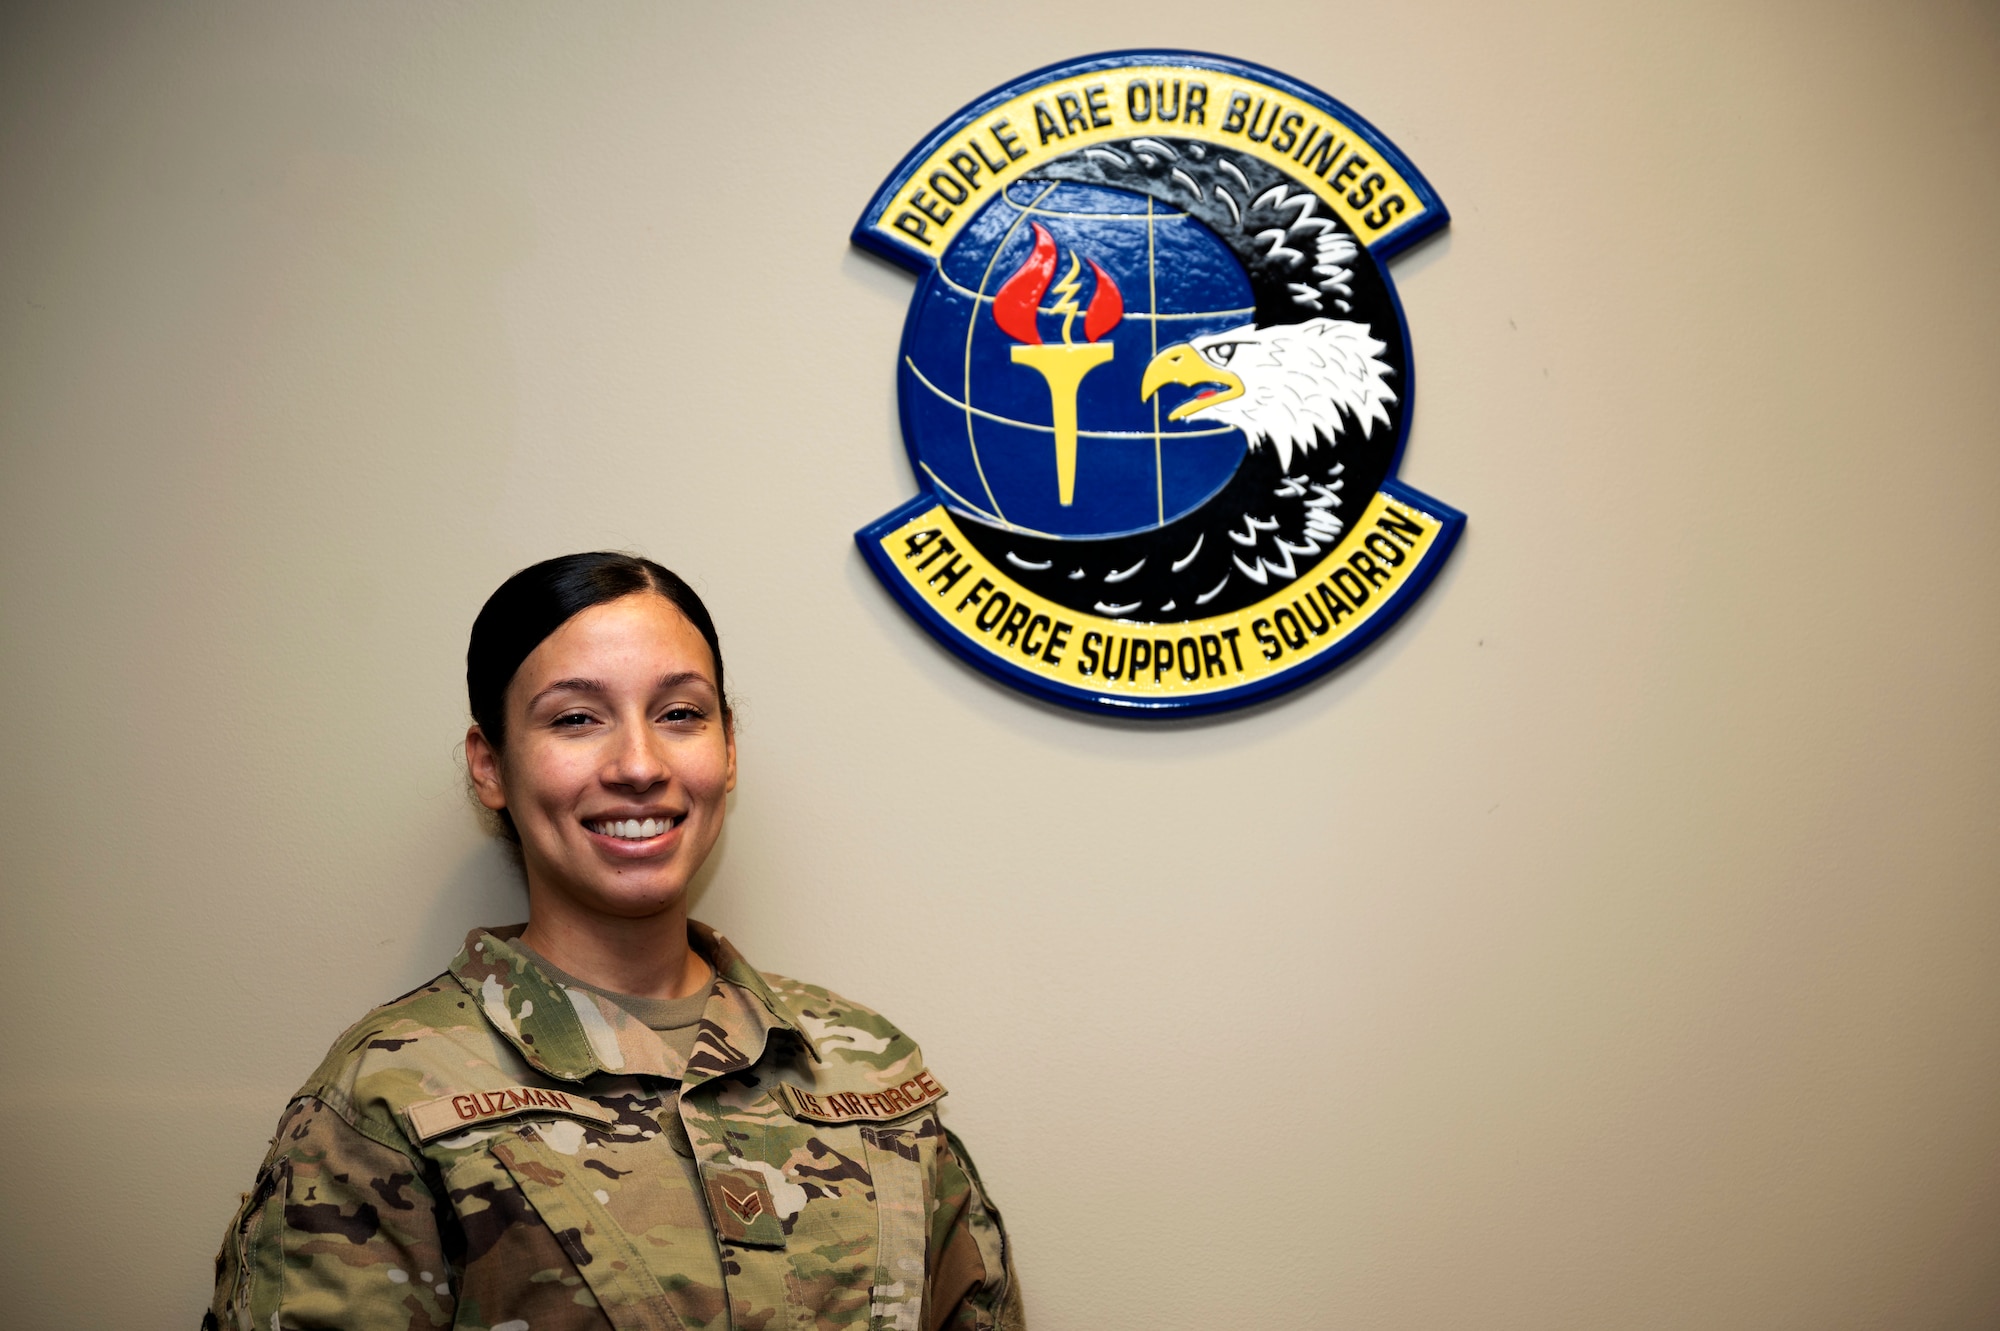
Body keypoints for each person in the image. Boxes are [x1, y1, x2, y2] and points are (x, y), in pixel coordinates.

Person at [206, 552, 1022, 1331]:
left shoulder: (871, 1067)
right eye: (575, 718)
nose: (639, 763)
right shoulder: (389, 1102)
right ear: (489, 765)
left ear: (728, 747)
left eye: (680, 714)